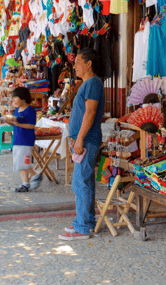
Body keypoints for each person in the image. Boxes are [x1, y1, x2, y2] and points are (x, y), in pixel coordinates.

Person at [59, 48, 105, 241]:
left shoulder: (93, 83)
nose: (74, 66)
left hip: (86, 140)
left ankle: (83, 227)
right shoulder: (87, 84)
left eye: (78, 62)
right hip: (83, 139)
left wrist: (79, 140)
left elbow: (90, 113)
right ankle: (84, 220)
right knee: (84, 181)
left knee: (81, 182)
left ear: (89, 64)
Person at [0, 87, 42, 192]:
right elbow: (15, 125)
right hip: (17, 139)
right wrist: (7, 121)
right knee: (19, 163)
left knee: (23, 163)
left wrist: (18, 124)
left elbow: (32, 126)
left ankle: (36, 174)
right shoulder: (17, 111)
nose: (13, 101)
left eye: (15, 98)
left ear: (23, 98)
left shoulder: (30, 110)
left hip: (26, 140)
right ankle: (25, 183)